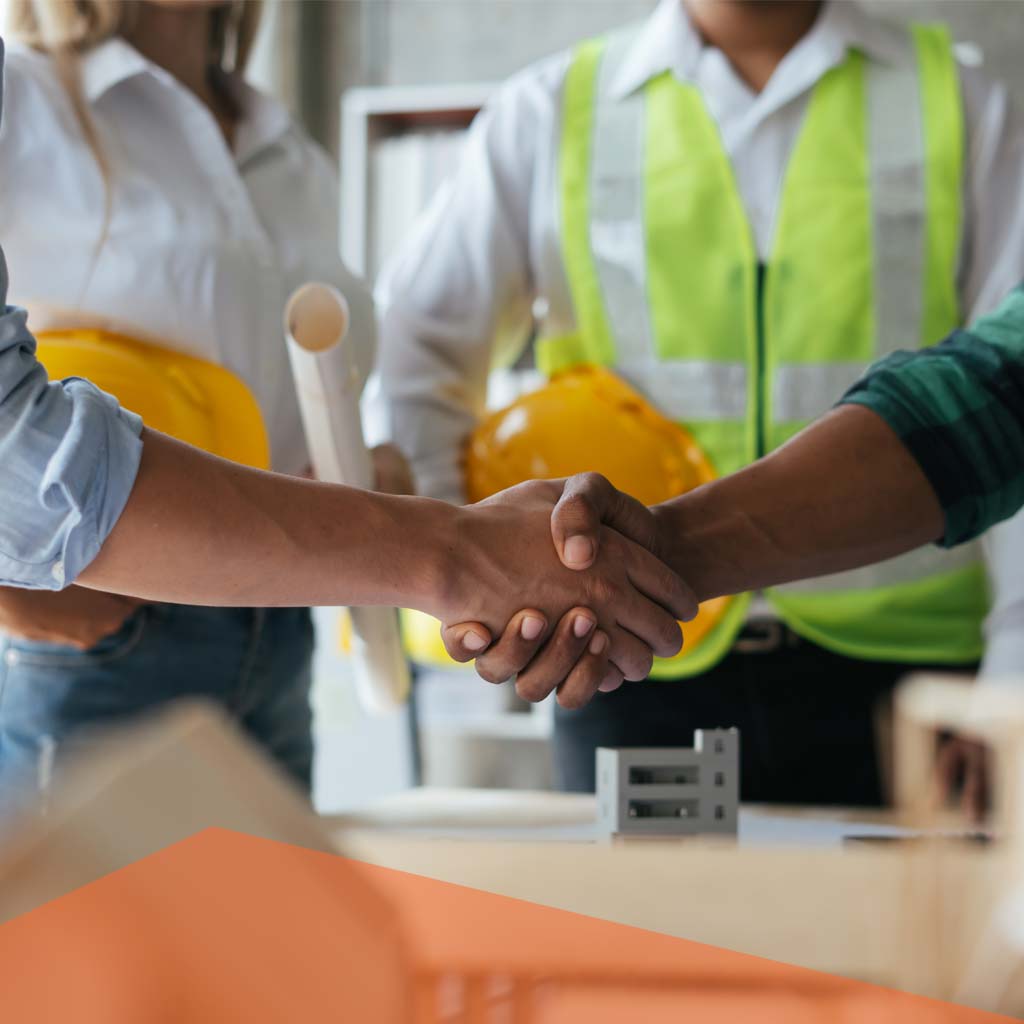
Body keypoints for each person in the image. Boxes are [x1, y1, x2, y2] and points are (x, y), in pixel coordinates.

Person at [0, 13, 690, 810]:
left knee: (271, 928)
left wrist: (368, 476)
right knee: (90, 934)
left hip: (279, 629)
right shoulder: (24, 102)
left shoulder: (281, 143)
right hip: (102, 640)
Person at [377, 0, 1024, 802]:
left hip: (914, 670)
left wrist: (1013, 677)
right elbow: (418, 357)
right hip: (627, 662)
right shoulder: (551, 110)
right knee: (646, 931)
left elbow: (1007, 398)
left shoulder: (960, 101)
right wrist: (475, 588)